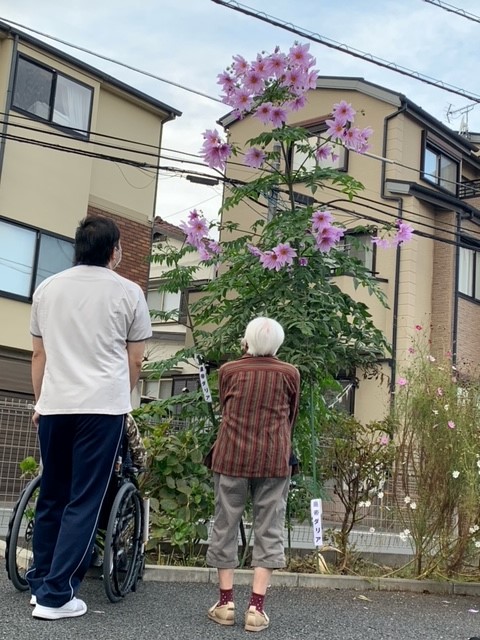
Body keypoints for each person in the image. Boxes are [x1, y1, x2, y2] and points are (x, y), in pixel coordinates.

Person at [26, 215, 152, 620]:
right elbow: (136, 359)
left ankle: (41, 582)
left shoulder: (47, 289)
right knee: (84, 500)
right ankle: (56, 596)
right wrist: (118, 397)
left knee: (52, 494)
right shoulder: (129, 292)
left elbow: (38, 354)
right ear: (114, 250)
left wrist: (40, 402)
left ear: (77, 248)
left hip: (55, 406)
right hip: (102, 409)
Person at [206, 317, 300, 633]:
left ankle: (225, 604)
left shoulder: (228, 371)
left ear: (246, 342)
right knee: (269, 527)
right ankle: (256, 609)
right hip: (274, 459)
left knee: (225, 524)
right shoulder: (290, 373)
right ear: (277, 344)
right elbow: (291, 417)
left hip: (231, 456)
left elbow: (225, 408)